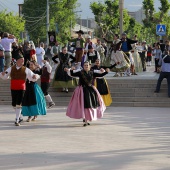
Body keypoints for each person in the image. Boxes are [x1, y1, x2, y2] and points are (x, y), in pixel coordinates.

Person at [64, 61, 109, 126]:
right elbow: (73, 74)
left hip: (91, 91)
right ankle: (85, 120)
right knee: (83, 105)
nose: (86, 66)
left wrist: (106, 71)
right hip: (82, 90)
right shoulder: (80, 73)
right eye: (85, 65)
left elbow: (100, 75)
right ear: (83, 66)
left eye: (87, 65)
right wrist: (71, 70)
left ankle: (87, 118)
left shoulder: (92, 73)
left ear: (89, 66)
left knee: (90, 105)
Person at [0, 54, 40, 126]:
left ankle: (17, 119)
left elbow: (32, 76)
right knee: (14, 104)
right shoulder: (11, 68)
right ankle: (20, 117)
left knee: (19, 104)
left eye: (23, 60)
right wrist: (2, 74)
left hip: (21, 88)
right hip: (13, 87)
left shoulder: (26, 69)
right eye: (22, 59)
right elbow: (5, 76)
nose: (23, 61)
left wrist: (35, 76)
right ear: (17, 60)